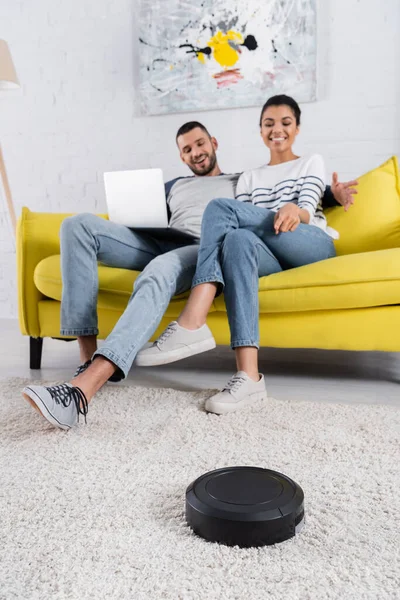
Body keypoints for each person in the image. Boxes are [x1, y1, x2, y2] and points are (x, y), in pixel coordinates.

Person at [22, 117, 358, 429]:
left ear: (213, 143)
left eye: (200, 144)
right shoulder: (172, 186)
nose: (196, 152)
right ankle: (85, 357)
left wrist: (331, 195)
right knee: (77, 225)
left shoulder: (243, 181)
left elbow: (282, 193)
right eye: (187, 149)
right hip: (158, 239)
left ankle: (83, 389)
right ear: (181, 157)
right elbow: (138, 211)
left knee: (159, 271)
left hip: (201, 249)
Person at [136, 95, 352, 415]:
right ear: (260, 131)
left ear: (297, 128)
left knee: (220, 208)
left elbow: (307, 207)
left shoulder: (311, 162)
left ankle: (193, 320)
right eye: (269, 124)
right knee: (236, 238)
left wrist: (301, 207)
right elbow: (247, 226)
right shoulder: (249, 177)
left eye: (285, 123)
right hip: (271, 247)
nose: (276, 129)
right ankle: (249, 377)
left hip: (309, 242)